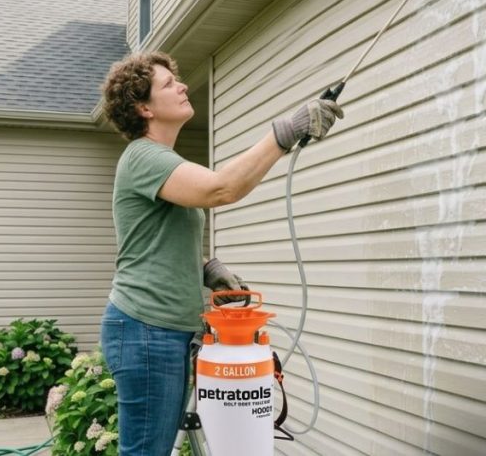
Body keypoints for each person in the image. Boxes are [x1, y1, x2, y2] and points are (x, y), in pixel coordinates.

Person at [98, 51, 343, 456]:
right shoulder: (144, 157)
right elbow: (220, 189)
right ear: (144, 108)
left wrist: (207, 268)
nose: (182, 86)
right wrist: (285, 132)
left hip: (165, 332)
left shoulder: (163, 161)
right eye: (167, 84)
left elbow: (153, 241)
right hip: (145, 330)